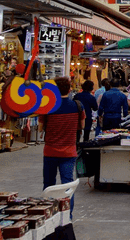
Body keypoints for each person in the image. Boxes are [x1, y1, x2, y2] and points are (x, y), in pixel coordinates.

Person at [38, 77, 84, 216]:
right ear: (69, 89)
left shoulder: (47, 107)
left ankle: (49, 215)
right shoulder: (77, 106)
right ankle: (67, 216)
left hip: (50, 151)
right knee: (67, 185)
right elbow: (81, 125)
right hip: (69, 152)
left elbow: (40, 129)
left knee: (49, 185)